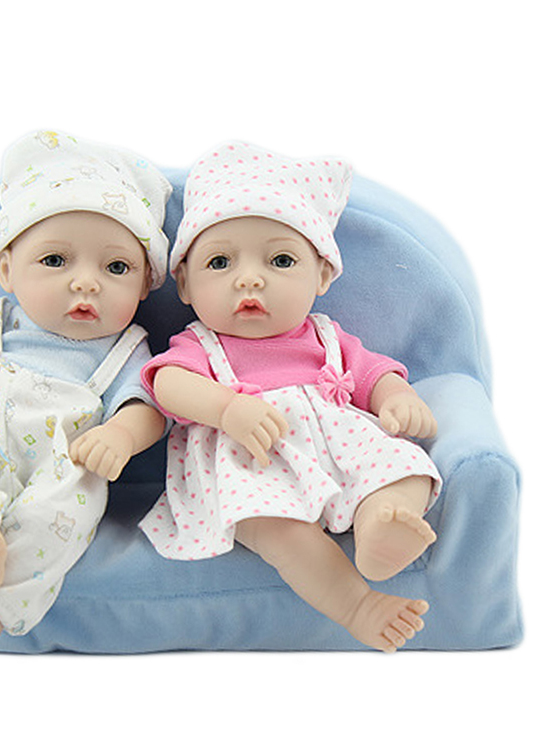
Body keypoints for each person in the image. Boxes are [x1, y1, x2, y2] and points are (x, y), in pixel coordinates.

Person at [139, 140, 442, 653]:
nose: (249, 278)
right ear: (184, 284)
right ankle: (356, 605)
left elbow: (374, 373)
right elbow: (167, 383)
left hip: (337, 442)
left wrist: (396, 397)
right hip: (251, 459)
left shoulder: (326, 337)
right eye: (220, 262)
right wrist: (227, 407)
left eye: (280, 259)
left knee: (406, 466)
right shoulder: (201, 345)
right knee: (277, 529)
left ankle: (381, 523)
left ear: (322, 275)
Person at [0, 130, 170, 646]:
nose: (86, 282)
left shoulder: (125, 349)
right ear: (7, 269)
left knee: (70, 505)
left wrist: (120, 435)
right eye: (55, 260)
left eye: (116, 267)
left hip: (61, 462)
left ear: (143, 285)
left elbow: (149, 405)